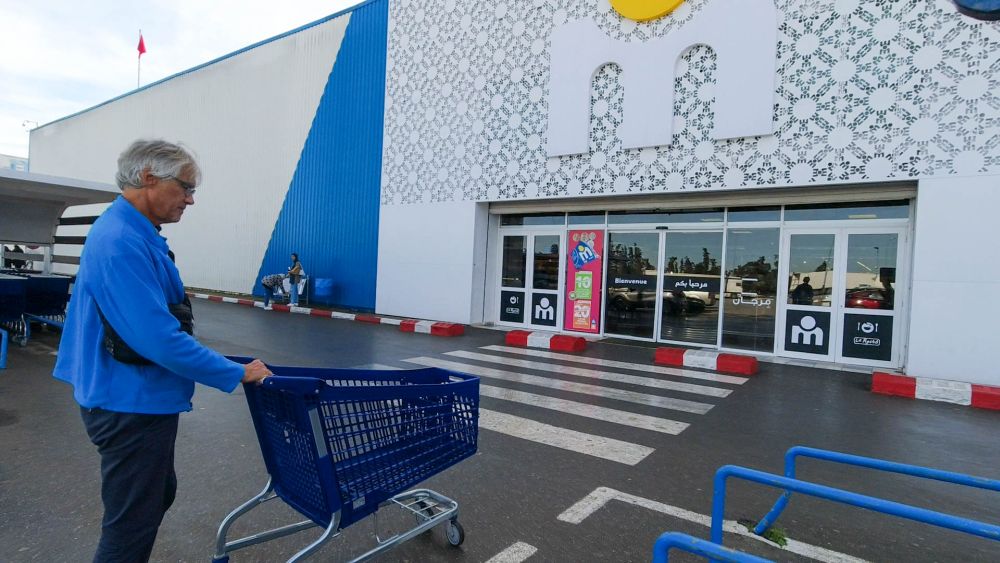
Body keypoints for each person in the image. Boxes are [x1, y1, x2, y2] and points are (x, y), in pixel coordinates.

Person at [53, 139, 272, 563]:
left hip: (130, 396)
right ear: (149, 179)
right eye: (186, 188)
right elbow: (156, 336)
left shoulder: (135, 231)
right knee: (131, 526)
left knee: (154, 497)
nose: (190, 199)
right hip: (126, 402)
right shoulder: (120, 240)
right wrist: (232, 371)